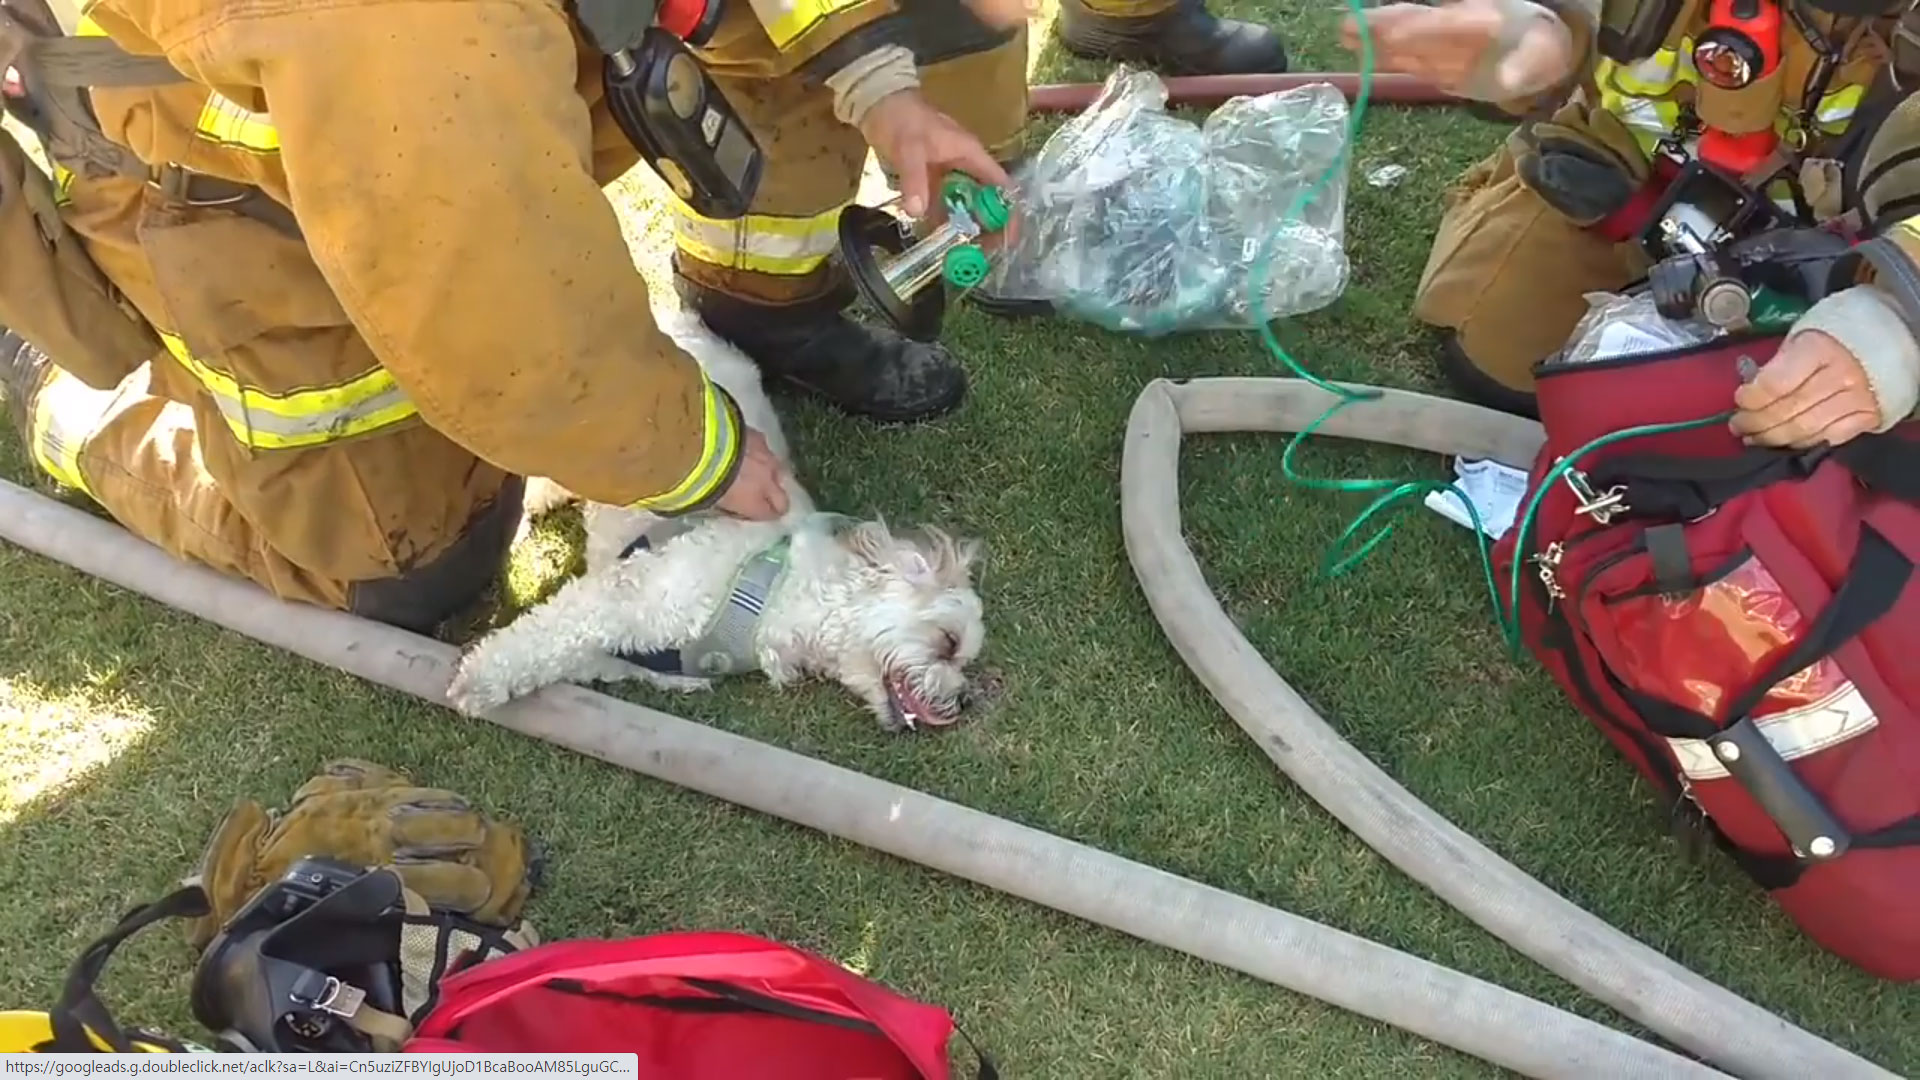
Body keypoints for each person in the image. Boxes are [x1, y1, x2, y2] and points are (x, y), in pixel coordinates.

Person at [0, 0, 1041, 633]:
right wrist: (683, 452)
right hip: (228, 170)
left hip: (481, 82)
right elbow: (488, 276)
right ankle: (62, 398)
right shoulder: (392, 34)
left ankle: (765, 301)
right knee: (416, 573)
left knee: (762, 33)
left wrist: (881, 85)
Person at [1345, 0, 1917, 425]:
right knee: (1502, 368)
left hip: (1860, 256)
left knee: (1823, 430)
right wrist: (1535, 35)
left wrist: (1889, 321)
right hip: (1620, 195)